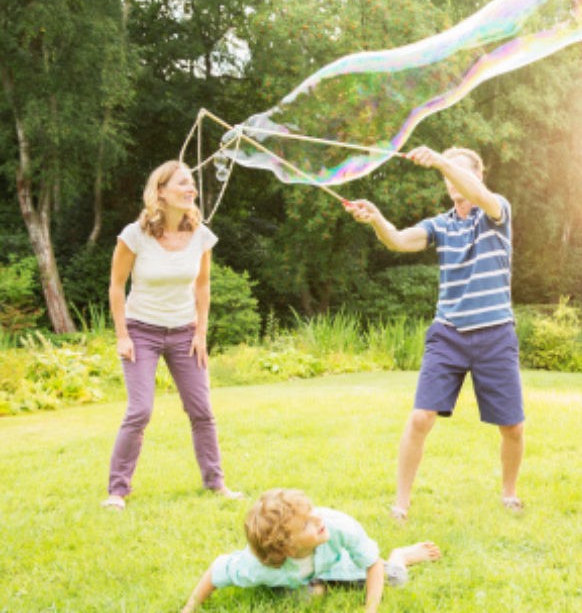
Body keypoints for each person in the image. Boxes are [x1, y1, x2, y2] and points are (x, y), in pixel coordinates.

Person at [344, 146, 525, 520]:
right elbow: (398, 240)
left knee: (512, 425)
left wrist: (442, 161)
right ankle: (401, 505)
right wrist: (377, 218)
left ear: (477, 175)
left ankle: (509, 493)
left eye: (460, 171)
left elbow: (480, 197)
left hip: (494, 332)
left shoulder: (496, 211)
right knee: (420, 418)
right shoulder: (440, 225)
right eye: (447, 173)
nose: (451, 179)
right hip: (449, 333)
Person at [102, 160, 241, 510]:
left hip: (184, 333)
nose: (190, 188)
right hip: (141, 330)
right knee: (140, 411)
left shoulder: (201, 235)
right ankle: (117, 491)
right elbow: (117, 286)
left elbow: (203, 285)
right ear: (160, 192)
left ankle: (216, 484)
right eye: (181, 183)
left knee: (202, 411)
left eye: (191, 182)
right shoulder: (135, 235)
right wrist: (122, 335)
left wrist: (201, 331)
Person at [181, 488, 441, 612]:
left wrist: (370, 609)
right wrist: (190, 606)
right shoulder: (257, 566)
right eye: (305, 523)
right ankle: (317, 586)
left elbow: (371, 564)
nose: (318, 519)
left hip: (342, 566)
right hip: (297, 576)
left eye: (311, 510)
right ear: (287, 549)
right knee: (301, 599)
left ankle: (401, 556)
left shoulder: (336, 526)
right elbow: (218, 569)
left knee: (395, 579)